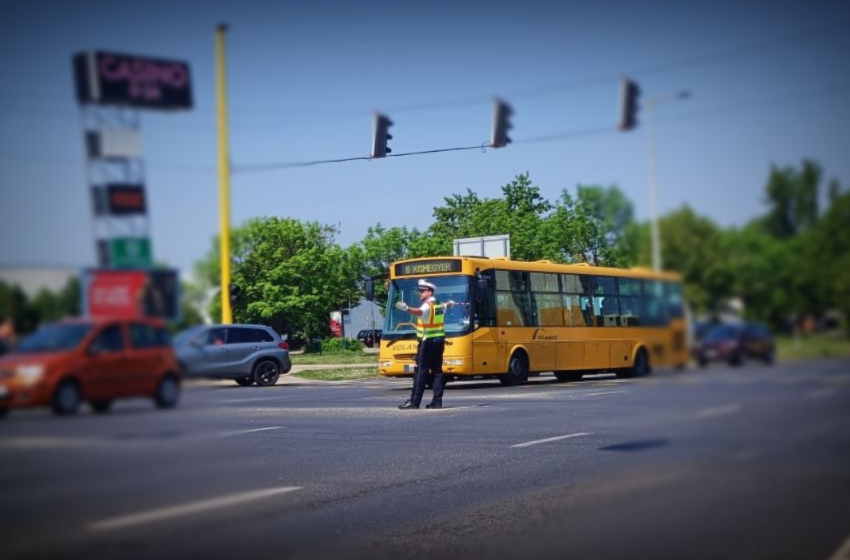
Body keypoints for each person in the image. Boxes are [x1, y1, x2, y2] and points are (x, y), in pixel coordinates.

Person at [395, 279, 449, 410]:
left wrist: (407, 308)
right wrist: (450, 303)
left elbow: (419, 312)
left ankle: (414, 401)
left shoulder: (427, 305)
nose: (420, 294)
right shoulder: (439, 305)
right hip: (439, 340)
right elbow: (447, 305)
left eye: (422, 291)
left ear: (429, 292)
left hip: (427, 342)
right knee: (437, 372)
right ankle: (437, 402)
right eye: (420, 291)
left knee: (421, 372)